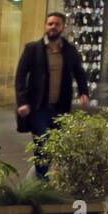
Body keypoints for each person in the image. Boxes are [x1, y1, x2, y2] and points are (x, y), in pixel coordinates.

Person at [14, 11, 89, 178]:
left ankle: (42, 174)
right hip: (38, 107)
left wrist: (84, 91)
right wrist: (22, 102)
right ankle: (42, 180)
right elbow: (20, 76)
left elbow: (79, 72)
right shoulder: (32, 49)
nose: (53, 27)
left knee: (55, 145)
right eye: (50, 24)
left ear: (63, 27)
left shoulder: (69, 50)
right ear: (45, 26)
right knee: (42, 142)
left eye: (57, 24)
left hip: (60, 108)